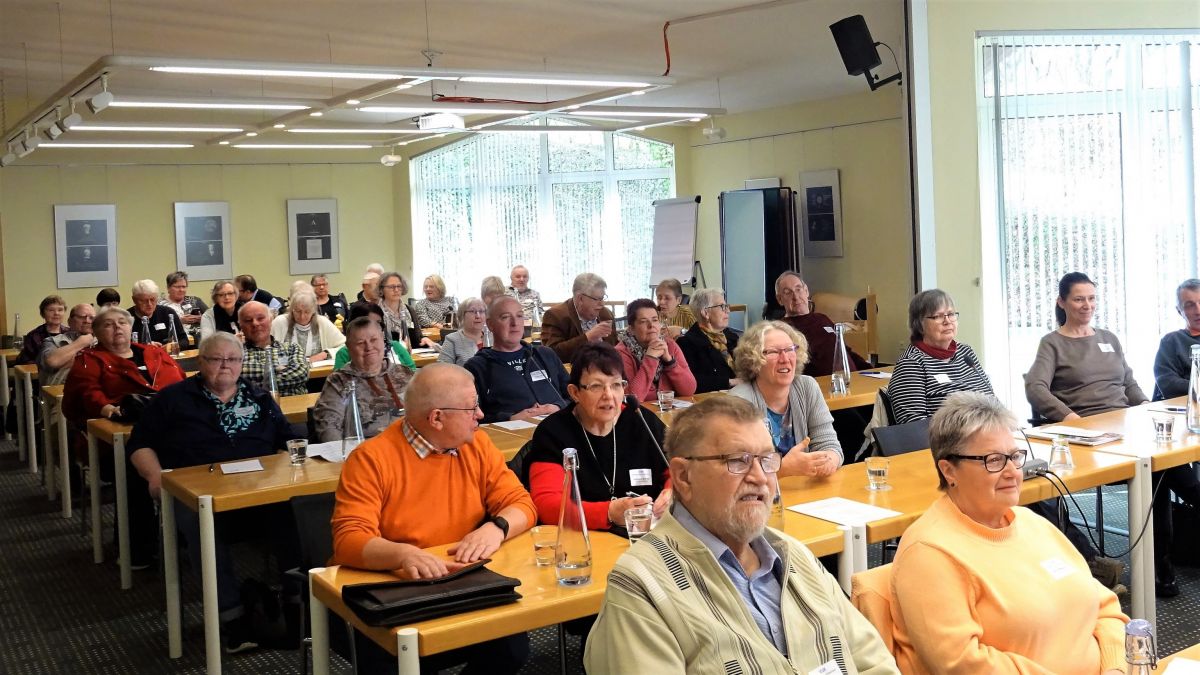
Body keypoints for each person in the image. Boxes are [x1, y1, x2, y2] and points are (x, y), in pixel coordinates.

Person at [585, 396, 899, 674]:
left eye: (767, 460)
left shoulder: (793, 555)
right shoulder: (641, 587)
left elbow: (873, 661)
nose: (761, 478)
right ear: (683, 476)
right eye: (738, 461)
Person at [890, 392, 1127, 673]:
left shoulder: (1029, 522)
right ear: (948, 470)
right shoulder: (929, 553)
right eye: (993, 460)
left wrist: (1115, 667)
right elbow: (962, 664)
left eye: (1014, 457)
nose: (1012, 472)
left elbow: (1105, 607)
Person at [331, 363, 536, 674]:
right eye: (471, 407)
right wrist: (403, 554)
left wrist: (497, 527)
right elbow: (348, 540)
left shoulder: (476, 444)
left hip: (461, 582)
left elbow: (522, 505)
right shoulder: (371, 459)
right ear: (437, 417)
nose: (480, 415)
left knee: (512, 646)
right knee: (398, 659)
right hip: (395, 592)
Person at [127, 331, 300, 653]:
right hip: (196, 493)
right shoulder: (172, 399)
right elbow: (140, 444)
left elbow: (288, 442)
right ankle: (232, 618)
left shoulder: (259, 398)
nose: (225, 366)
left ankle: (297, 603)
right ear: (200, 362)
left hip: (256, 491)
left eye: (233, 359)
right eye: (216, 359)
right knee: (198, 522)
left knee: (297, 512)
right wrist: (155, 477)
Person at [63, 307, 187, 569]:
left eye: (122, 322)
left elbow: (182, 382)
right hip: (115, 440)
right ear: (96, 332)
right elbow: (87, 394)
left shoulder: (153, 351)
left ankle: (188, 536)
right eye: (108, 324)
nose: (117, 327)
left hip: (172, 431)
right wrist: (108, 409)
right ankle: (137, 548)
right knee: (134, 469)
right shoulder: (89, 359)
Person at [528, 342, 670, 529]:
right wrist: (609, 512)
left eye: (616, 385)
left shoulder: (642, 420)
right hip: (585, 541)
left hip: (648, 534)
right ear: (575, 392)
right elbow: (547, 505)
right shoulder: (553, 433)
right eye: (596, 386)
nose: (609, 395)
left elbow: (680, 471)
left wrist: (671, 493)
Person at [1025, 272, 1146, 421]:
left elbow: (1129, 383)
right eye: (1078, 299)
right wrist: (1069, 417)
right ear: (1061, 302)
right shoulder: (1052, 343)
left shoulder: (1109, 338)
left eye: (1091, 298)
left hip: (1122, 420)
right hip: (1084, 424)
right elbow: (1035, 388)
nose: (1087, 306)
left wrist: (1145, 404)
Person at [729, 321, 842, 478]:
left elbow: (829, 444)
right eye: (773, 352)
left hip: (806, 490)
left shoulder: (807, 387)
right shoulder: (739, 401)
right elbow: (737, 468)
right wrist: (783, 470)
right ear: (753, 360)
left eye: (790, 350)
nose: (785, 359)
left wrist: (829, 461)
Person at [1146, 278, 1200, 597]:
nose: (1197, 310)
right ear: (1179, 310)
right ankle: (1162, 562)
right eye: (1189, 304)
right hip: (1175, 430)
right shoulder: (1172, 342)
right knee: (1160, 473)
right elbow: (1168, 383)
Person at [888, 289, 993, 424]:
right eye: (938, 316)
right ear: (919, 325)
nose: (947, 321)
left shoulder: (965, 352)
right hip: (948, 442)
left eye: (951, 314)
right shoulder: (911, 363)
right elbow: (913, 424)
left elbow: (992, 400)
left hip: (986, 434)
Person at [465, 296, 568, 423]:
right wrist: (510, 418)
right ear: (491, 325)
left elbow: (576, 397)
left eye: (519, 316)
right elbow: (470, 418)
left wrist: (557, 406)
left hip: (558, 428)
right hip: (511, 438)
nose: (515, 323)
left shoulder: (545, 355)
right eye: (505, 317)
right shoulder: (476, 367)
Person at [314, 317, 414, 442]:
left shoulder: (406, 374)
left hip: (409, 449)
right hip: (363, 452)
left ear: (383, 341)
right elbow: (329, 431)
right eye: (361, 343)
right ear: (349, 347)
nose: (369, 347)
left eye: (374, 340)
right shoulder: (339, 381)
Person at [774, 272, 871, 377]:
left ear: (806, 291)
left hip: (853, 379)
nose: (796, 297)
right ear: (780, 299)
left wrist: (871, 370)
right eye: (788, 292)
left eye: (798, 289)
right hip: (823, 386)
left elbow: (844, 350)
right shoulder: (782, 329)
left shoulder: (822, 318)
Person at [617, 298, 696, 401]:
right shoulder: (621, 352)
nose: (651, 326)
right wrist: (651, 358)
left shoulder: (670, 345)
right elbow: (632, 398)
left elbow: (689, 390)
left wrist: (669, 362)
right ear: (631, 329)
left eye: (655, 320)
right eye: (643, 322)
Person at [540, 272, 618, 362]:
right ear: (580, 298)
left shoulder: (606, 314)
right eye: (597, 299)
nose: (602, 304)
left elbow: (615, 347)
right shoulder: (556, 315)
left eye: (603, 298)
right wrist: (588, 337)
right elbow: (551, 353)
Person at [677, 287, 741, 394]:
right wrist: (732, 382)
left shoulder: (732, 337)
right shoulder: (687, 343)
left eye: (726, 306)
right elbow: (693, 381)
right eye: (722, 307)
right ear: (705, 313)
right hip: (712, 401)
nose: (728, 311)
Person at [239, 301, 310, 396]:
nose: (255, 323)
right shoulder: (235, 354)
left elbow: (301, 374)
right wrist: (277, 369)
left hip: (295, 407)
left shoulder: (291, 348)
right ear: (241, 325)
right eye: (248, 320)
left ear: (270, 320)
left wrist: (251, 382)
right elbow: (235, 379)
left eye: (260, 318)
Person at [333, 302, 417, 371]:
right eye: (369, 323)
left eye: (379, 323)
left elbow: (412, 372)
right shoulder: (344, 353)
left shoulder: (394, 346)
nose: (376, 327)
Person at [270, 290, 345, 363]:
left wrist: (325, 354)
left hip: (317, 372)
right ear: (292, 310)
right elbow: (266, 349)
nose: (302, 316)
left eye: (307, 312)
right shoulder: (280, 322)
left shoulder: (322, 322)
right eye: (298, 311)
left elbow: (345, 346)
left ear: (313, 311)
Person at [37, 303, 95, 386]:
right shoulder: (53, 341)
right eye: (82, 317)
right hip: (62, 394)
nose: (87, 321)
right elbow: (52, 361)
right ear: (70, 321)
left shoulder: (103, 342)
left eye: (92, 318)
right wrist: (80, 343)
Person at [128, 279, 187, 350]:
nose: (149, 304)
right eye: (143, 300)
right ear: (134, 300)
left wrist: (172, 346)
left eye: (152, 299)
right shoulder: (126, 318)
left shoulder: (168, 313)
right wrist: (144, 346)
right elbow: (120, 347)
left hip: (167, 356)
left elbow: (184, 340)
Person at [17, 295, 67, 364]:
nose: (56, 313)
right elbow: (26, 361)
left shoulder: (70, 333)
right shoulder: (34, 336)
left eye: (60, 310)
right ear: (43, 314)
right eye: (51, 310)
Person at [437, 297, 486, 366]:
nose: (478, 316)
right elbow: (442, 369)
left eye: (481, 311)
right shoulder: (452, 340)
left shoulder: (494, 337)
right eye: (473, 311)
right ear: (462, 316)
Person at [159, 271, 208, 340]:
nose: (181, 290)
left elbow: (211, 317)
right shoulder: (160, 305)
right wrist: (179, 321)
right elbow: (158, 327)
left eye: (184, 287)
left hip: (200, 339)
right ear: (168, 288)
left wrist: (202, 319)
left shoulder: (195, 301)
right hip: (176, 341)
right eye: (177, 287)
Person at [376, 271, 414, 347]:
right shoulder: (376, 312)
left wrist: (424, 339)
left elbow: (417, 337)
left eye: (399, 286)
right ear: (381, 289)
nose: (396, 290)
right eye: (391, 287)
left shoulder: (409, 310)